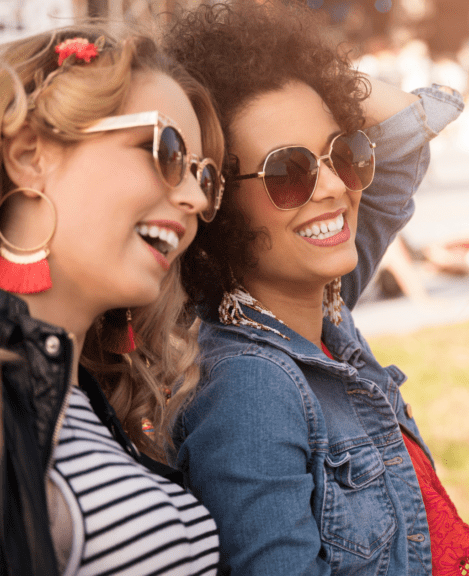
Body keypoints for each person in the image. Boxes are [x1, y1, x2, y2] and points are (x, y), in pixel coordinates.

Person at [161, 3, 469, 576]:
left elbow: (399, 139)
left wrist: (310, 75)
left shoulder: (319, 308)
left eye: (342, 152)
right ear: (215, 203)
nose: (336, 186)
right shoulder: (249, 388)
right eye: (288, 172)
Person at [1, 27, 223, 575]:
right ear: (30, 154)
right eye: (167, 150)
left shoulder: (86, 394)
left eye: (205, 175)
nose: (195, 198)